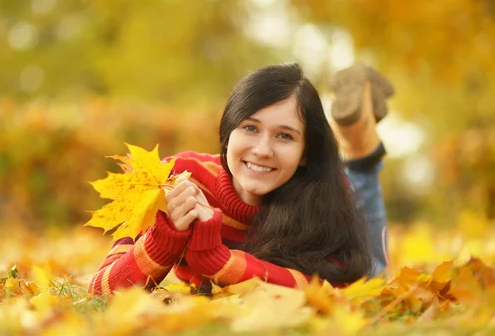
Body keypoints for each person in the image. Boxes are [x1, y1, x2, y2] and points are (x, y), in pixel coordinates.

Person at [88, 62, 393, 296]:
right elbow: (101, 289)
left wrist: (218, 261)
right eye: (249, 128)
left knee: (376, 270)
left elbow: (332, 289)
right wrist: (165, 237)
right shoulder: (174, 181)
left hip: (340, 202)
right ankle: (358, 136)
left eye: (284, 136)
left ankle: (359, 145)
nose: (262, 150)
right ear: (228, 131)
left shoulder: (323, 194)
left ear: (304, 153)